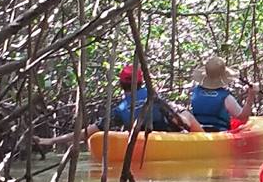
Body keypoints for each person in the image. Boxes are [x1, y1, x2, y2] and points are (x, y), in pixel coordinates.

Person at [36, 63, 201, 148]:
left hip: (141, 141)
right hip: (167, 140)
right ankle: (207, 137)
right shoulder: (156, 99)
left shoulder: (120, 110)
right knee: (184, 112)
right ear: (142, 82)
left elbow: (85, 133)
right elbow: (182, 123)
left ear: (121, 85)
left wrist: (50, 141)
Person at [190, 56, 256, 132]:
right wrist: (251, 95)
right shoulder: (226, 98)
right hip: (219, 135)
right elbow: (243, 118)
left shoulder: (194, 92)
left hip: (198, 133)